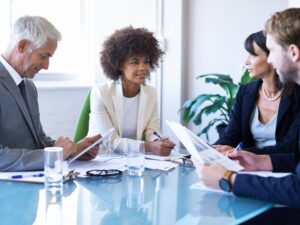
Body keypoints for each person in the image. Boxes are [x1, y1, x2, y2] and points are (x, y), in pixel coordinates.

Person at [193, 7, 300, 224]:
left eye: (271, 51)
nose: (270, 61)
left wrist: (229, 179)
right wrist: (259, 160)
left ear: (293, 53)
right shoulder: (247, 92)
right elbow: (296, 158)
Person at [0, 16, 100, 172]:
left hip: (31, 188)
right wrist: (52, 156)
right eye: (43, 56)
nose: (46, 66)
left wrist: (73, 150)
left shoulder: (28, 86)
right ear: (22, 46)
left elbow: (38, 140)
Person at [88, 26, 175, 155]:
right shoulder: (101, 92)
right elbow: (110, 141)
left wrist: (158, 141)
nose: (143, 67)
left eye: (146, 62)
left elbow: (152, 130)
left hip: (134, 160)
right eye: (135, 62)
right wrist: (150, 147)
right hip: (102, 159)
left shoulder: (151, 93)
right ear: (119, 64)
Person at [214, 30, 300, 154]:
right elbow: (230, 137)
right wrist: (213, 150)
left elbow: (290, 147)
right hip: (247, 165)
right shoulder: (245, 92)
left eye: (253, 55)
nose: (246, 62)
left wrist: (244, 153)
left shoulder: (296, 94)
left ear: (272, 57)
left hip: (282, 168)